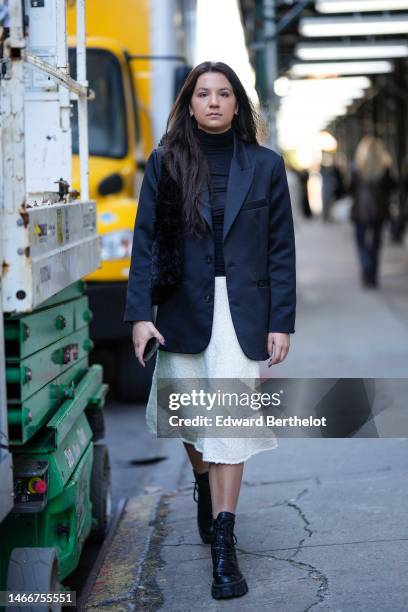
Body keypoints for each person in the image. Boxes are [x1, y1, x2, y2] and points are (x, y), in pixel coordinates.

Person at [123, 61, 296, 600]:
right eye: (204, 94)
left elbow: (281, 249)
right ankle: (203, 484)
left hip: (242, 310)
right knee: (194, 419)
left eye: (225, 94)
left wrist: (281, 323)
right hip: (181, 307)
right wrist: (140, 314)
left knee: (229, 426)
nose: (215, 102)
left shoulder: (266, 166)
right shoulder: (165, 162)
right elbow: (146, 240)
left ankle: (225, 543)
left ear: (238, 104)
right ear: (190, 103)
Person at [349, 136, 396, 288]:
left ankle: (366, 269)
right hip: (379, 212)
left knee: (361, 243)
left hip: (360, 212)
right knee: (376, 243)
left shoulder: (357, 169)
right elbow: (392, 187)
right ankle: (373, 275)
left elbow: (350, 189)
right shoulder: (384, 169)